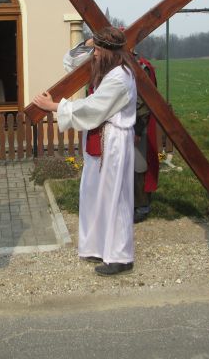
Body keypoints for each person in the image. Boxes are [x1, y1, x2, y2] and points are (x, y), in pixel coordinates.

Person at [32, 26, 138, 276]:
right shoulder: (106, 67)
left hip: (114, 141)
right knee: (93, 193)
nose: (95, 54)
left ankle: (120, 256)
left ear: (110, 52)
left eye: (99, 50)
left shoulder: (120, 77)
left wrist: (54, 106)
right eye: (95, 50)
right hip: (98, 136)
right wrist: (88, 43)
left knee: (114, 197)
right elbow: (71, 62)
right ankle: (97, 246)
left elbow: (93, 107)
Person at [133, 54, 159, 223]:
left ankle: (142, 206)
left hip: (138, 124)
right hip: (125, 124)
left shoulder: (142, 67)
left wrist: (137, 129)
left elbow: (142, 102)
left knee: (139, 165)